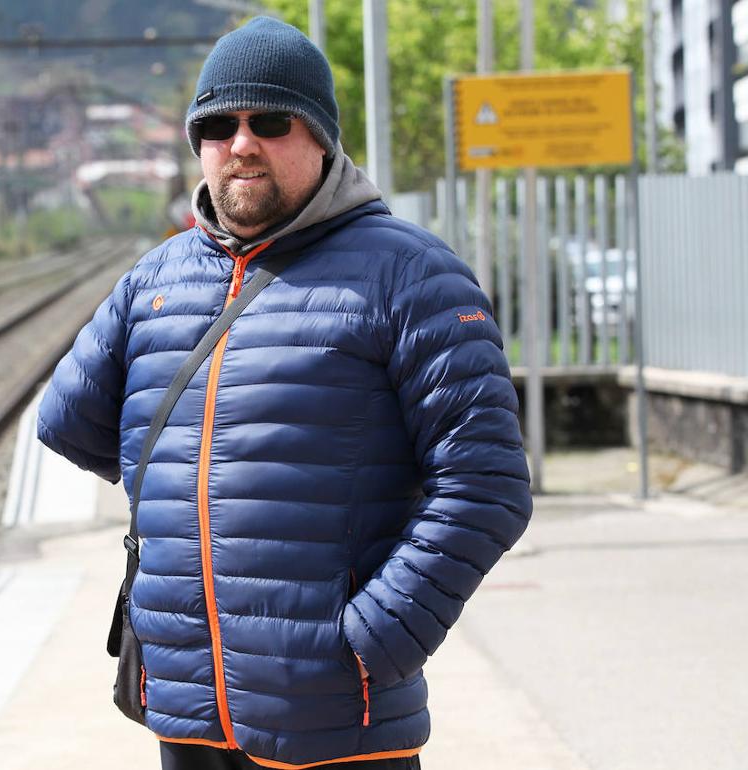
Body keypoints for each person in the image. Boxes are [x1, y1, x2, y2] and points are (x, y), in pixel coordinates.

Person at [36, 17, 532, 770]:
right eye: (217, 126)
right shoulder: (156, 279)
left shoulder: (410, 275)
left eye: (270, 121)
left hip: (333, 723)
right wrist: (192, 495)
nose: (241, 144)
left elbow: (486, 485)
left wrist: (370, 643)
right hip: (187, 711)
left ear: (321, 138)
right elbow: (68, 420)